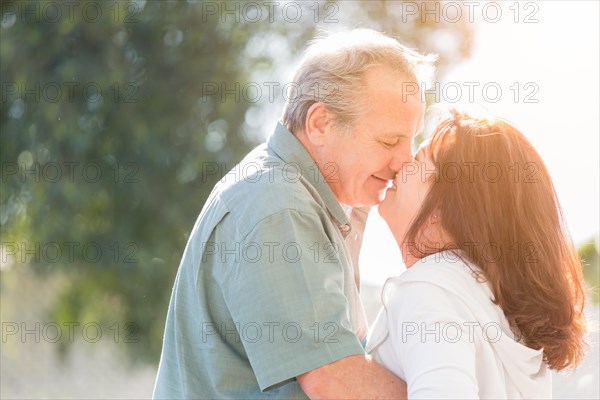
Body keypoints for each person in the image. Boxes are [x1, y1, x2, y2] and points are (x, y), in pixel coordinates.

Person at [153, 29, 437, 399]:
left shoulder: (311, 198)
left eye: (411, 140)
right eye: (389, 140)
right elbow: (334, 379)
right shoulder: (279, 206)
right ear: (320, 123)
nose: (405, 161)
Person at [367, 109, 587, 399]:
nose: (400, 165)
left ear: (443, 210)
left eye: (417, 161)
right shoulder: (506, 321)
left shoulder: (430, 289)